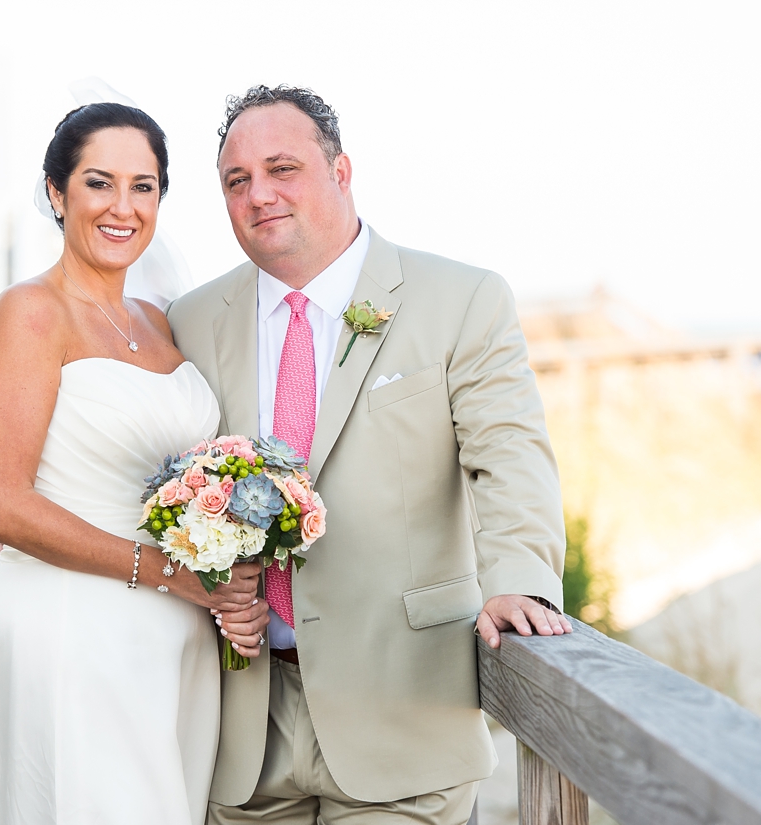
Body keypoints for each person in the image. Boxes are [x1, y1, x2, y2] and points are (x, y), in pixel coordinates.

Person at [166, 85, 573, 825]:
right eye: (236, 180)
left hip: (404, 711)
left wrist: (521, 579)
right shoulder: (190, 321)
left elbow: (507, 454)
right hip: (246, 730)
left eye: (282, 168)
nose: (259, 194)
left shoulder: (460, 298)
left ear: (342, 171)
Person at [0, 103, 266, 825]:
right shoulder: (28, 314)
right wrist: (172, 573)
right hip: (69, 632)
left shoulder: (162, 321)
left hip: (171, 644)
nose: (123, 206)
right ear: (57, 192)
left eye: (144, 186)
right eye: (99, 182)